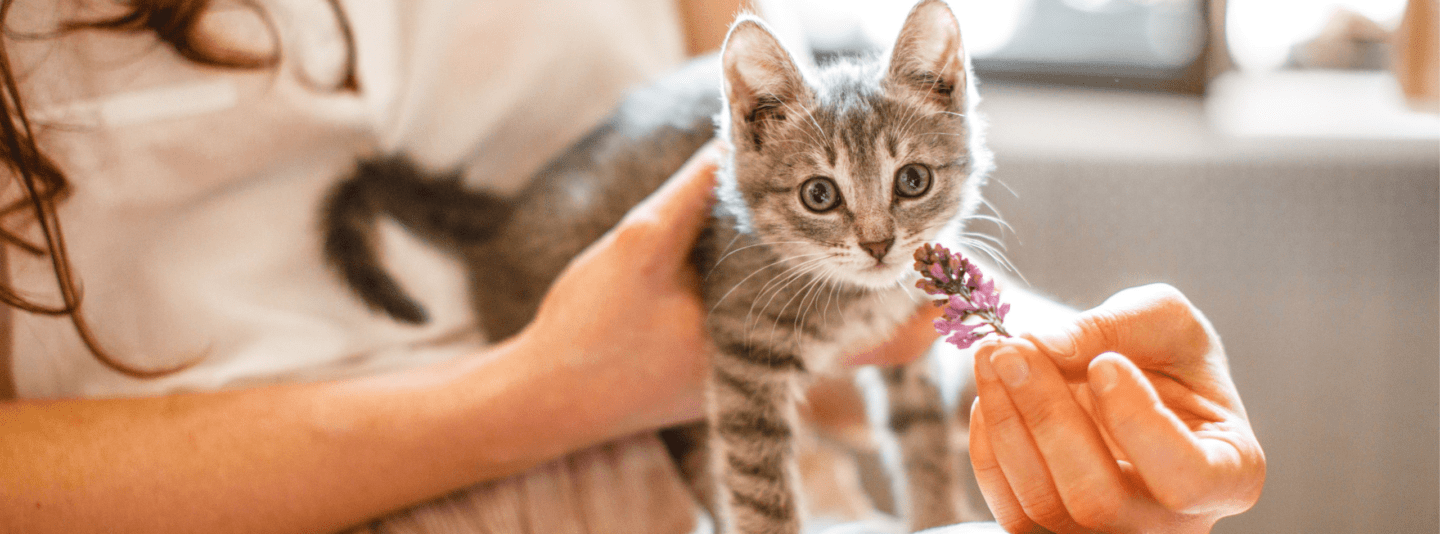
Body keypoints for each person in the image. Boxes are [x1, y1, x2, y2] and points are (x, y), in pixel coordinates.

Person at [0, 1, 1262, 533]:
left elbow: (823, 219)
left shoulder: (831, 150)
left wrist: (1052, 362)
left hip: (709, 471)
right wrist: (557, 390)